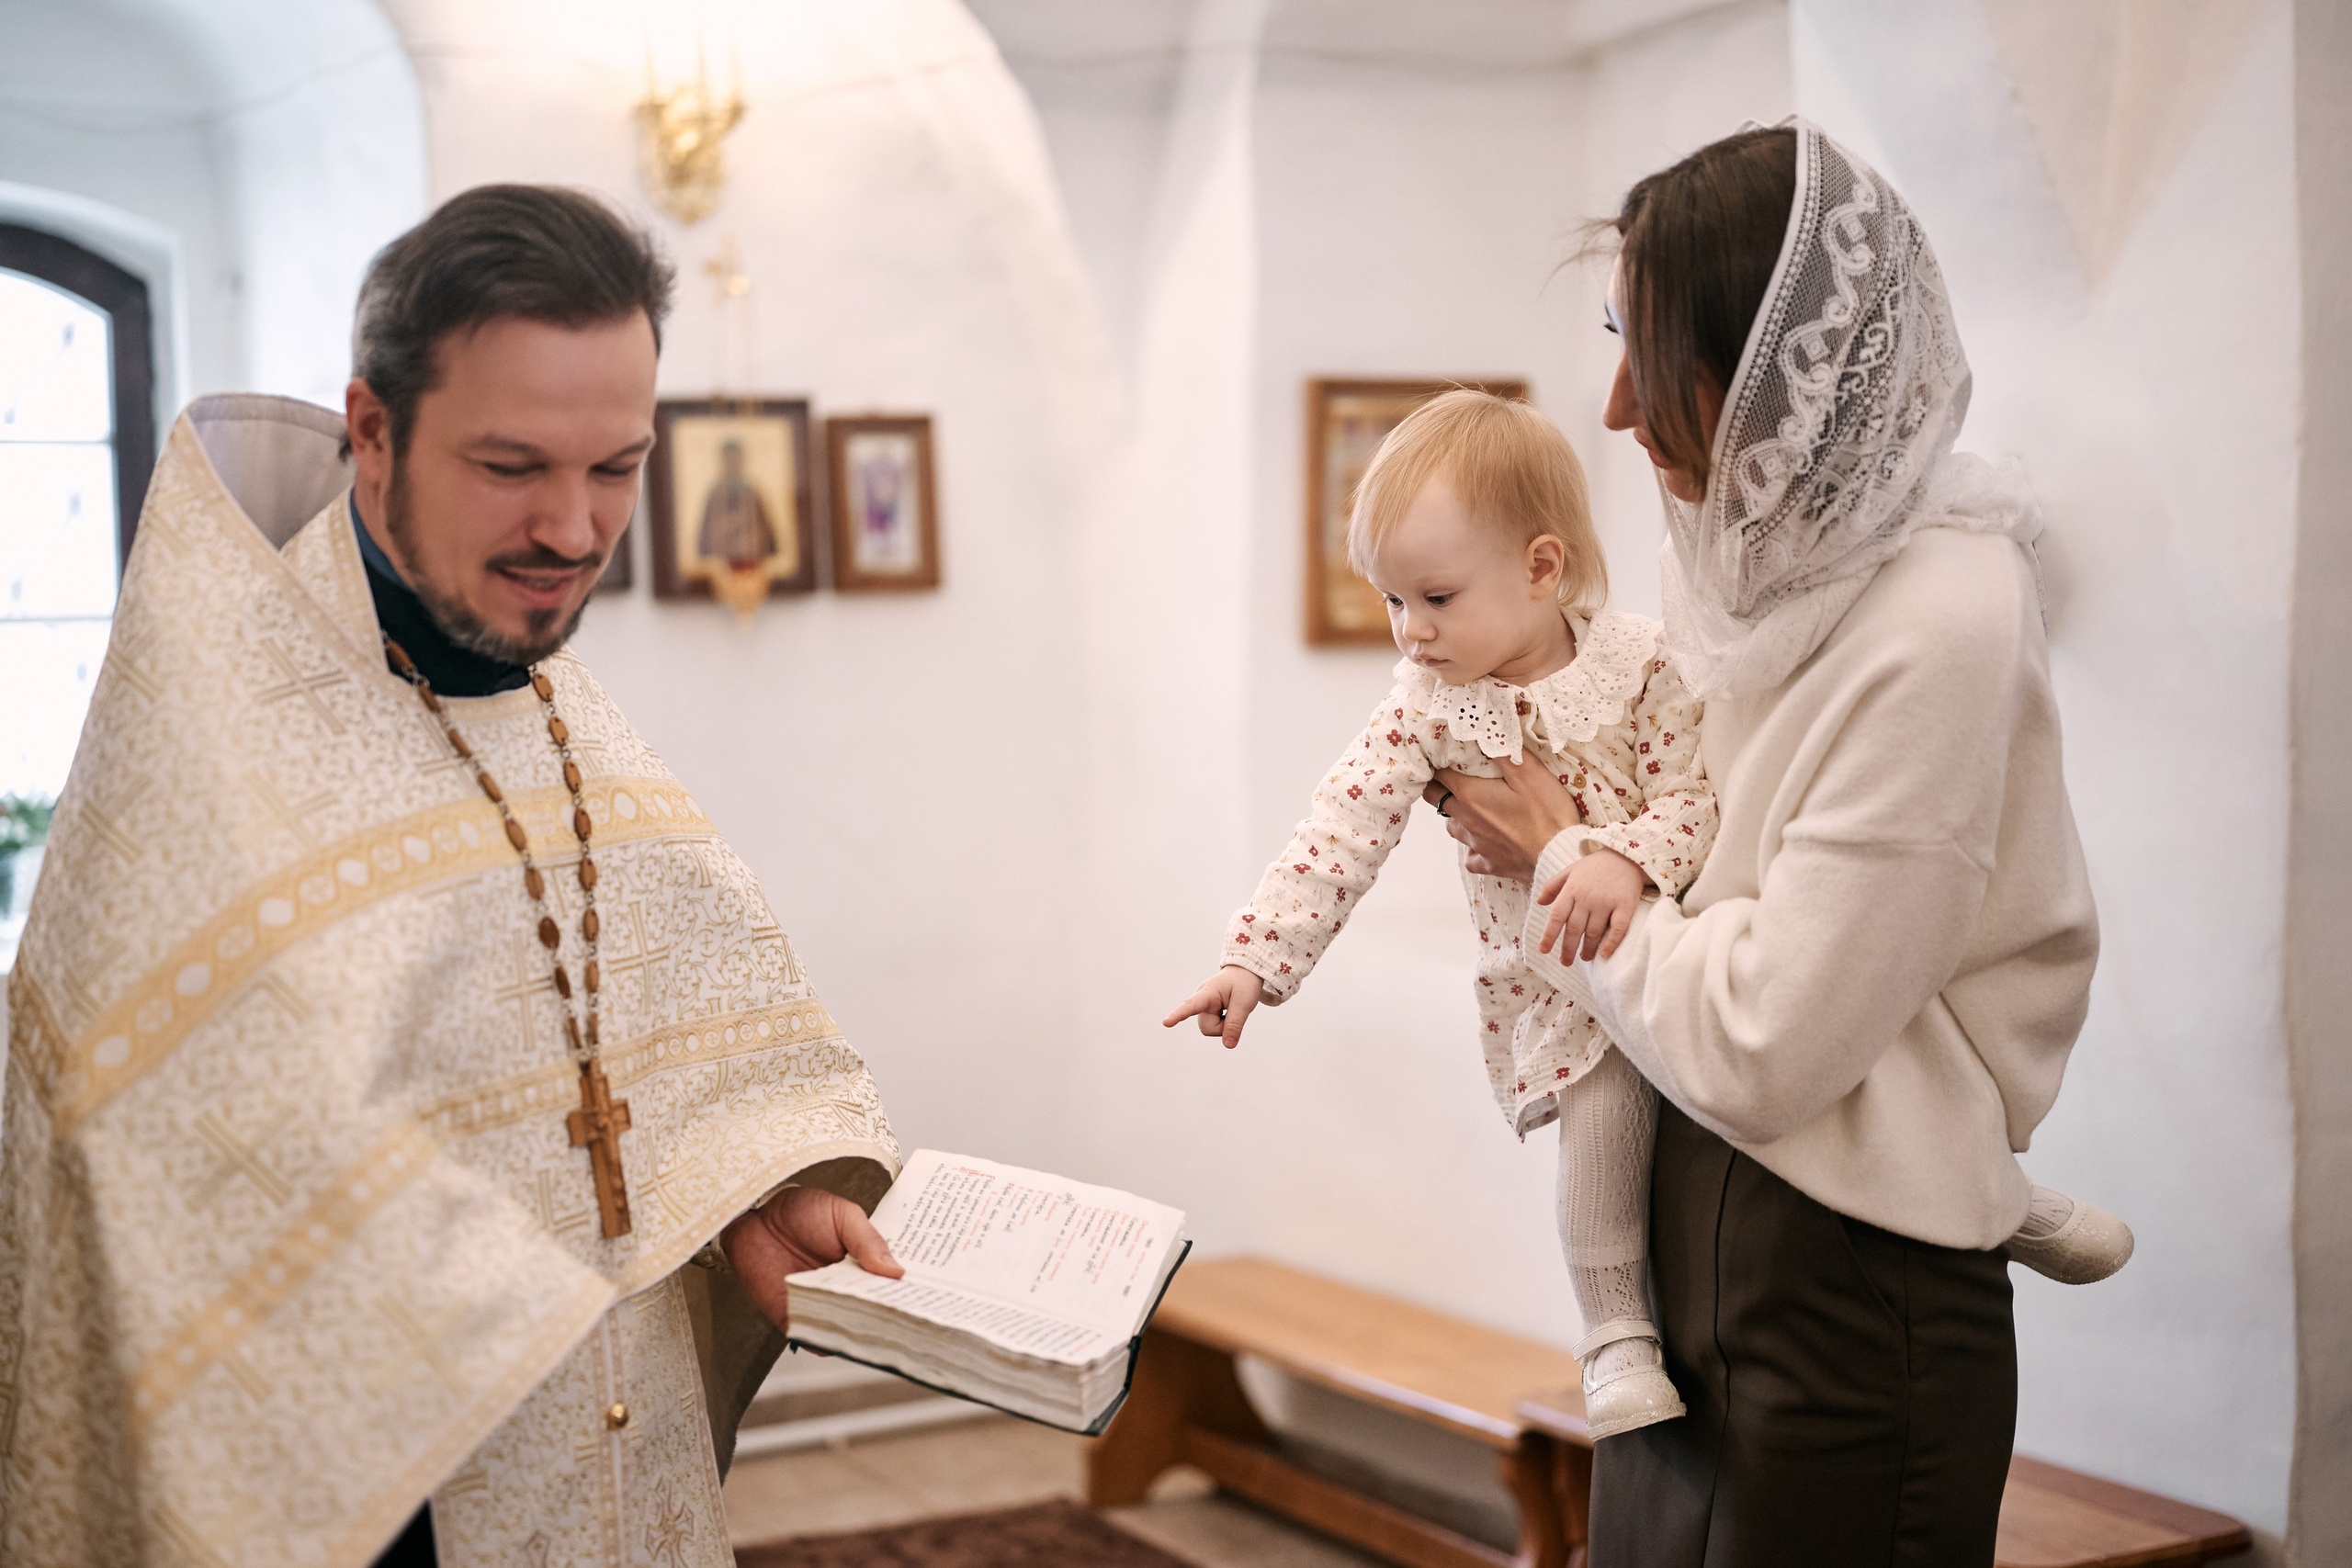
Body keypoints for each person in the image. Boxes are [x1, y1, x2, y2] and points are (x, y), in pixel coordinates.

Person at [0, 186, 904, 1568]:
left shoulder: (560, 712)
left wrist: (739, 1190)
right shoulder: (216, 742)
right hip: (349, 1501)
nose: (573, 528)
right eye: (512, 465)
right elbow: (154, 1168)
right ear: (372, 429)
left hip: (612, 1458)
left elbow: (616, 1052)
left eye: (617, 467)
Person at [1430, 122, 2127, 1564]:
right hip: (1691, 1204)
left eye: (1656, 356)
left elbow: (1768, 1037)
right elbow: (1706, 890)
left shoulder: (1941, 616)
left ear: (1776, 367)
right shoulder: (1741, 567)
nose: (1616, 407)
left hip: (1846, 1263)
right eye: (1613, 340)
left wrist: (1561, 849)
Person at [1167, 389, 1715, 1439]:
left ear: (1541, 569)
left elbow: (1694, 800)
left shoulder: (1641, 663)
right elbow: (1338, 831)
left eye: (1435, 597)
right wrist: (1254, 963)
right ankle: (1614, 1334)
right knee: (1603, 1117)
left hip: (1683, 954)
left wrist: (1619, 857)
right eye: (1389, 601)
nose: (1409, 632)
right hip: (1562, 987)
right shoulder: (1425, 708)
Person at [696, 436, 777, 569]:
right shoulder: (715, 494)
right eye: (729, 459)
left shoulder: (752, 493)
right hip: (721, 564)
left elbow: (767, 534)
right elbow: (706, 538)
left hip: (752, 564)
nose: (733, 463)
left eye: (736, 459)